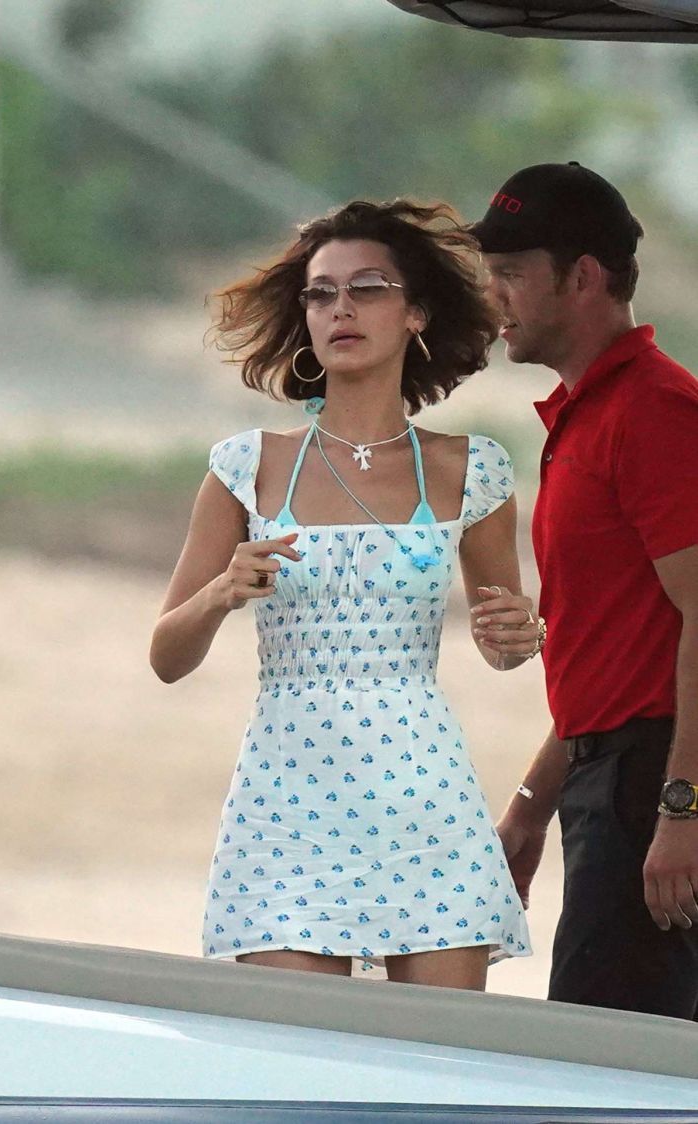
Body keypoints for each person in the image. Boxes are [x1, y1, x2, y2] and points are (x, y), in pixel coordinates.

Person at [150, 199, 544, 990]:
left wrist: (518, 635)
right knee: (293, 1050)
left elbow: (505, 645)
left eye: (367, 289)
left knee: (444, 1053)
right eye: (321, 294)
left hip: (426, 801)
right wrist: (224, 590)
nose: (341, 309)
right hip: (287, 802)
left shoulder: (471, 469)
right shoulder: (246, 466)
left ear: (416, 312)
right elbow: (166, 657)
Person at [470, 162, 698, 1018]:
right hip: (614, 776)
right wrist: (532, 807)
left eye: (512, 272)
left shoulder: (654, 410)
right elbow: (610, 656)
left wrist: (683, 810)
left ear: (584, 277)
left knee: (611, 1053)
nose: (495, 296)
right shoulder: (589, 414)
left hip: (655, 777)